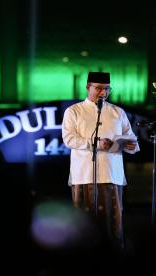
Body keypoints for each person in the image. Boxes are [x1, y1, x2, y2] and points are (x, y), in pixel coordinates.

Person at [62, 71, 139, 252]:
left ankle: (114, 257)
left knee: (113, 223)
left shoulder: (117, 112)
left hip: (112, 174)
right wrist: (94, 143)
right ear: (88, 87)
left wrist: (130, 146)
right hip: (84, 175)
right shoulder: (74, 111)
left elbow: (133, 141)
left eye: (106, 89)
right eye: (98, 88)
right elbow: (68, 139)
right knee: (84, 222)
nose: (103, 93)